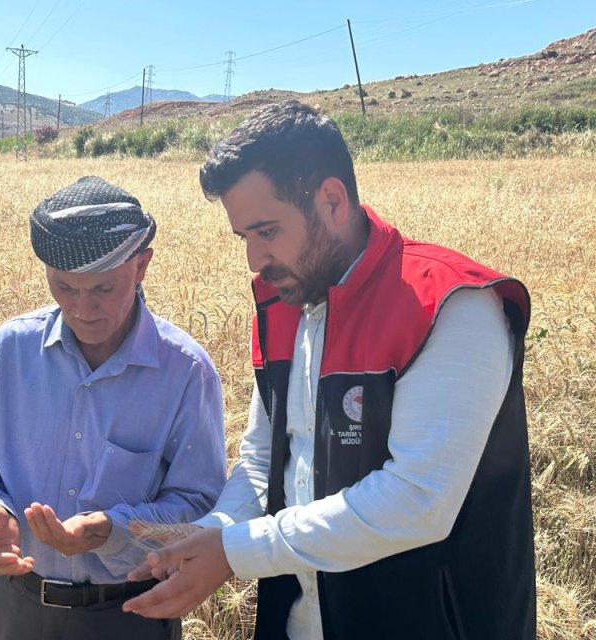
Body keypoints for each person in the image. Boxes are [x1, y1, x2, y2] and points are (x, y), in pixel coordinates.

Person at [123, 101, 536, 639]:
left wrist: (233, 551)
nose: (254, 260)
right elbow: (262, 458)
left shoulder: (450, 306)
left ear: (333, 200)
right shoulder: (284, 303)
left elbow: (418, 500)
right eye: (243, 237)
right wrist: (209, 535)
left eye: (267, 231)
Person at [0, 176, 227, 640]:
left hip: (127, 613)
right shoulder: (9, 351)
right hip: (14, 608)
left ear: (141, 268)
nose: (81, 309)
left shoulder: (184, 372)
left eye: (102, 289)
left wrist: (112, 530)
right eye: (64, 287)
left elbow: (199, 503)